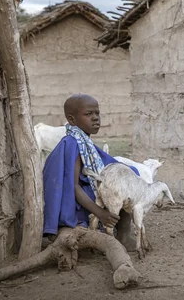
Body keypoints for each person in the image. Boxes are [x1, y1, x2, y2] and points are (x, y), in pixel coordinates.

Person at [42, 93, 138, 250]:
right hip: (75, 207)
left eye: (97, 113)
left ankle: (123, 233)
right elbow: (73, 187)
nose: (95, 118)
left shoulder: (84, 142)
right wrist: (100, 213)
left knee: (129, 174)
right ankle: (119, 233)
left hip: (87, 197)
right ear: (72, 120)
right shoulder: (72, 144)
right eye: (88, 114)